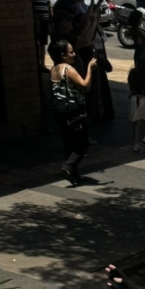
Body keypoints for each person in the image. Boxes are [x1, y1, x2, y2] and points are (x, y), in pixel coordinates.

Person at [48, 38, 95, 186]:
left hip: (60, 111)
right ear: (63, 55)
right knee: (83, 143)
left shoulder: (54, 69)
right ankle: (69, 165)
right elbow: (85, 86)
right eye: (71, 52)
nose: (74, 54)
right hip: (74, 111)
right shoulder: (68, 69)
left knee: (69, 143)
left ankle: (74, 175)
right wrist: (89, 68)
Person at [128, 57, 145, 154]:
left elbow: (130, 84)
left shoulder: (133, 73)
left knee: (137, 123)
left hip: (135, 98)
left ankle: (136, 144)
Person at [31, 0, 53, 71]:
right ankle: (36, 64)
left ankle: (42, 65)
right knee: (36, 42)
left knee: (43, 43)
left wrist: (50, 18)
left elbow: (48, 5)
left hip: (45, 19)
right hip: (36, 19)